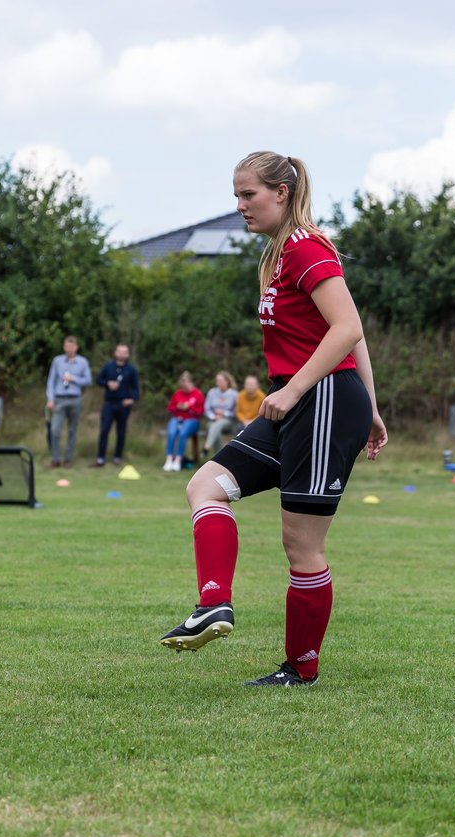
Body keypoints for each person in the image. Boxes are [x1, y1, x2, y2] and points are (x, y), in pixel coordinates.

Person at [159, 151, 388, 687]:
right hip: (301, 398)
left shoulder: (307, 248)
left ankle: (300, 669)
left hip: (321, 398)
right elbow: (350, 332)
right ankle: (214, 604)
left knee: (301, 544)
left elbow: (348, 327)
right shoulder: (280, 255)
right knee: (206, 486)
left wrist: (318, 393)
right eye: (236, 196)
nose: (240, 206)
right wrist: (372, 408)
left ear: (280, 193)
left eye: (248, 195)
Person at [46, 335, 92, 468]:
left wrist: (74, 379)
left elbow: (88, 380)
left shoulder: (82, 362)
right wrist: (50, 399)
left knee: (72, 430)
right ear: (64, 347)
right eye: (66, 346)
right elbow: (51, 381)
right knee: (55, 430)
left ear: (76, 347)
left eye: (71, 346)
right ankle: (55, 458)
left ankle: (68, 459)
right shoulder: (57, 361)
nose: (69, 349)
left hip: (75, 398)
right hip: (60, 399)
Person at [92, 343, 140, 467]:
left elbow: (136, 389)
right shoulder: (108, 366)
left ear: (127, 354)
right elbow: (99, 380)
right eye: (120, 351)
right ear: (115, 353)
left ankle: (117, 457)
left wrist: (131, 399)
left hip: (123, 405)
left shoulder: (131, 370)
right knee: (104, 430)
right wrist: (108, 384)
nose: (122, 354)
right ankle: (100, 458)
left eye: (124, 352)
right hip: (109, 403)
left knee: (121, 431)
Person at [162, 372, 204, 472]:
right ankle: (169, 459)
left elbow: (201, 412)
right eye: (182, 386)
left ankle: (178, 460)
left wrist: (189, 407)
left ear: (190, 383)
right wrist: (178, 407)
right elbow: (170, 408)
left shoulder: (197, 394)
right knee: (171, 432)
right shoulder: (177, 393)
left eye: (186, 386)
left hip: (192, 420)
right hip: (178, 418)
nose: (184, 389)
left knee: (182, 433)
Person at [201, 371, 238, 457]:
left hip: (228, 422)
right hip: (212, 420)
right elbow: (206, 409)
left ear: (227, 382)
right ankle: (219, 456)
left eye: (221, 381)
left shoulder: (234, 394)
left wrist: (224, 414)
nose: (218, 383)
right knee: (214, 427)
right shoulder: (212, 392)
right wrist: (213, 416)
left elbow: (235, 412)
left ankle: (207, 447)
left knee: (218, 424)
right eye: (217, 381)